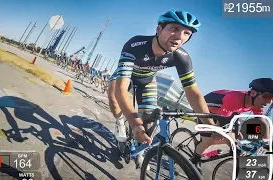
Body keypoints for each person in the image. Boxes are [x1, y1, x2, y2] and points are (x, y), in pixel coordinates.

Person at [107, 10, 215, 167]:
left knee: (149, 117)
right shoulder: (135, 44)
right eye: (174, 29)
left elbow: (192, 92)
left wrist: (210, 125)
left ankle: (142, 147)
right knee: (113, 94)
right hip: (127, 76)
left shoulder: (181, 56)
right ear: (158, 29)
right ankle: (119, 122)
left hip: (147, 80)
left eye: (186, 33)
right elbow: (121, 90)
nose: (179, 37)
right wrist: (134, 122)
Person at [191, 78, 273, 173]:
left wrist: (267, 142)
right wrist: (232, 144)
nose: (269, 102)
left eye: (272, 99)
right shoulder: (234, 98)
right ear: (253, 93)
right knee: (210, 139)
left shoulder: (256, 104)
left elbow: (262, 121)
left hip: (228, 111)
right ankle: (195, 160)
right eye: (266, 96)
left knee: (236, 138)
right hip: (206, 109)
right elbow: (222, 125)